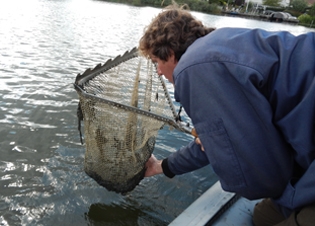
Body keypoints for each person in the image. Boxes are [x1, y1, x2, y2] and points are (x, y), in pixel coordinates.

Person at [138, 3, 315, 226]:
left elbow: (263, 181)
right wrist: (161, 166)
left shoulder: (194, 68)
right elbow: (217, 143)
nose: (159, 72)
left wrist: (224, 148)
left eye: (156, 62)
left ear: (170, 53)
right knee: (263, 216)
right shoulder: (220, 44)